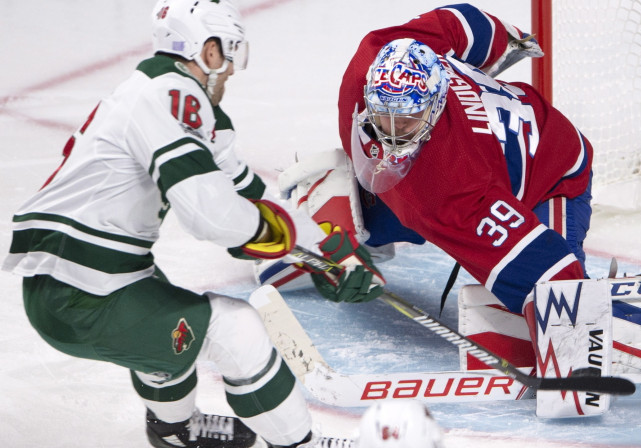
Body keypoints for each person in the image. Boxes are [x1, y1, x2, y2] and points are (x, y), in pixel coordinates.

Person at [2, 0, 381, 447]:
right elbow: (213, 216)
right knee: (235, 330)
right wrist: (306, 251)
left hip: (84, 279)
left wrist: (331, 250)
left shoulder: (168, 97)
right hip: (82, 291)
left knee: (168, 317)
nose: (233, 70)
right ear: (208, 51)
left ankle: (173, 431)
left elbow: (247, 197)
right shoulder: (171, 96)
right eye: (230, 53)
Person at [260, 4, 590, 342]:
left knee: (556, 311)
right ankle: (351, 247)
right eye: (383, 114)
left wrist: (571, 322)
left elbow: (551, 278)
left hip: (553, 169)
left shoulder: (453, 190)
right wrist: (504, 37)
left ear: (435, 107)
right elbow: (454, 23)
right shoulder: (372, 60)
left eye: (405, 120)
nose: (391, 131)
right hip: (469, 161)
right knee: (354, 188)